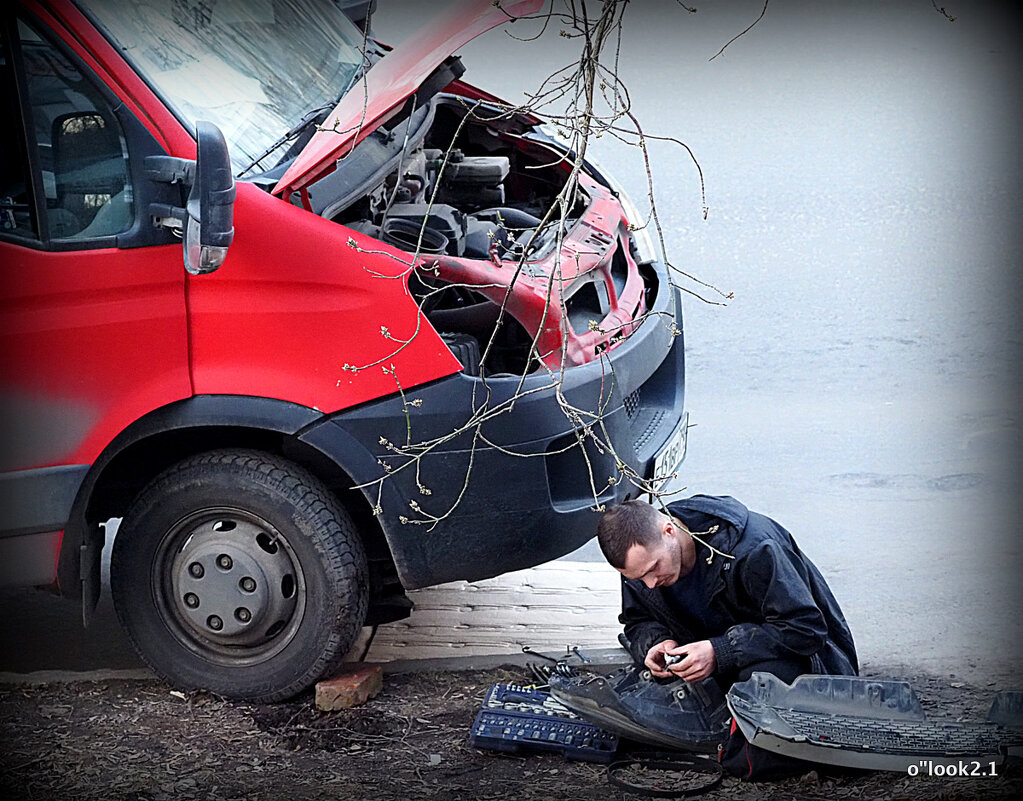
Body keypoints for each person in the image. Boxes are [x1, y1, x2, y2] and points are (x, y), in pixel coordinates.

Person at [597, 495, 857, 691]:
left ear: (669, 531)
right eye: (639, 577)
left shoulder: (754, 550)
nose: (650, 583)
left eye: (654, 568)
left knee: (760, 684)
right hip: (716, 670)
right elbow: (637, 621)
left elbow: (805, 629)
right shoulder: (641, 563)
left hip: (806, 668)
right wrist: (655, 644)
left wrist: (720, 651)